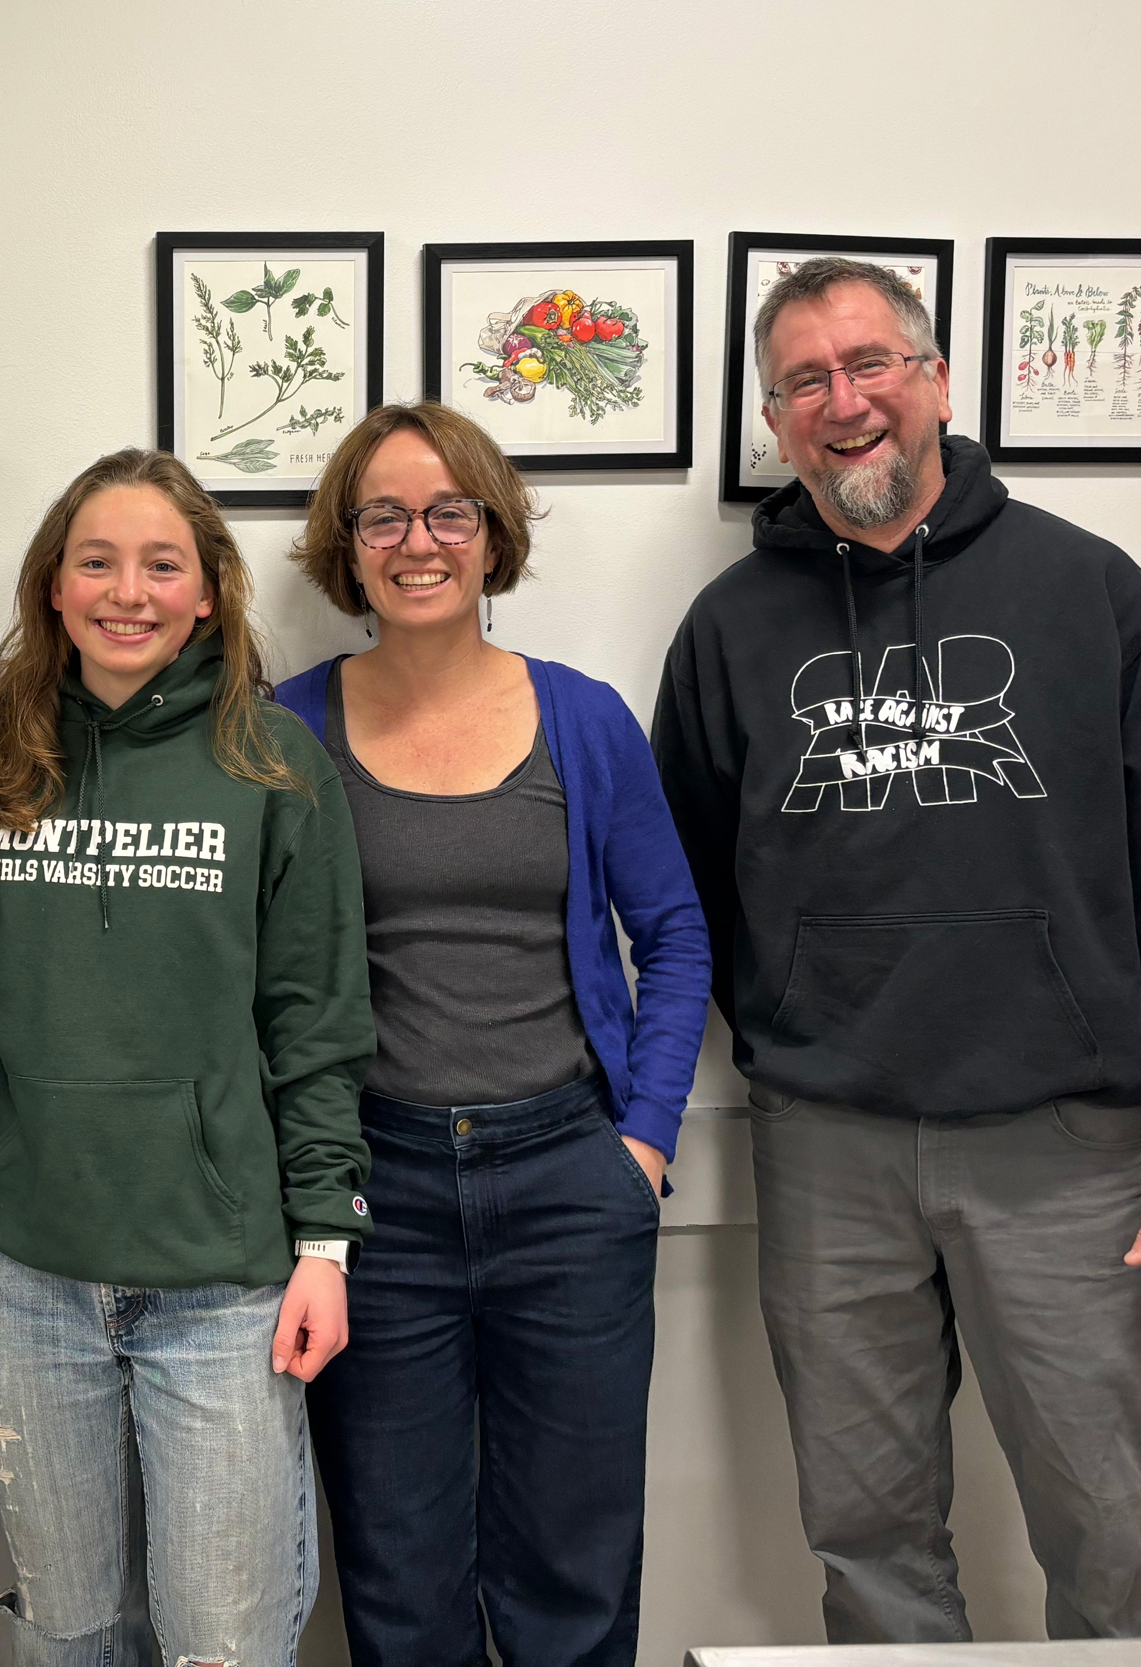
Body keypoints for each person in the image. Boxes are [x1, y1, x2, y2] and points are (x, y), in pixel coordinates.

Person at [651, 256, 1141, 1642]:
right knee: (868, 1538)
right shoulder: (730, 631)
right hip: (826, 1142)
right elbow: (683, 893)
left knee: (1113, 1534)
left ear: (935, 379)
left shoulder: (1090, 593)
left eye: (872, 363)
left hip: (1067, 1146)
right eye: (807, 379)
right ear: (778, 417)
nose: (846, 400)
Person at [271, 402, 710, 1667]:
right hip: (373, 1196)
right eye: (385, 515)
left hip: (569, 1178)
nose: (420, 539)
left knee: (571, 1566)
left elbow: (673, 934)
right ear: (346, 546)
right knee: (400, 1573)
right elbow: (266, 980)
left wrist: (641, 1141)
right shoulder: (287, 731)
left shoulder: (582, 717)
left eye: (450, 510)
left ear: (492, 533)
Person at [0, 447, 373, 1667]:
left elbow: (318, 1023)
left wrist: (325, 1246)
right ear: (51, 585)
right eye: (96, 560)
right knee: (69, 1631)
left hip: (223, 1284)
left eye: (160, 563)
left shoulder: (274, 765)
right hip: (26, 1271)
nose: (125, 590)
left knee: (221, 1643)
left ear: (207, 593)